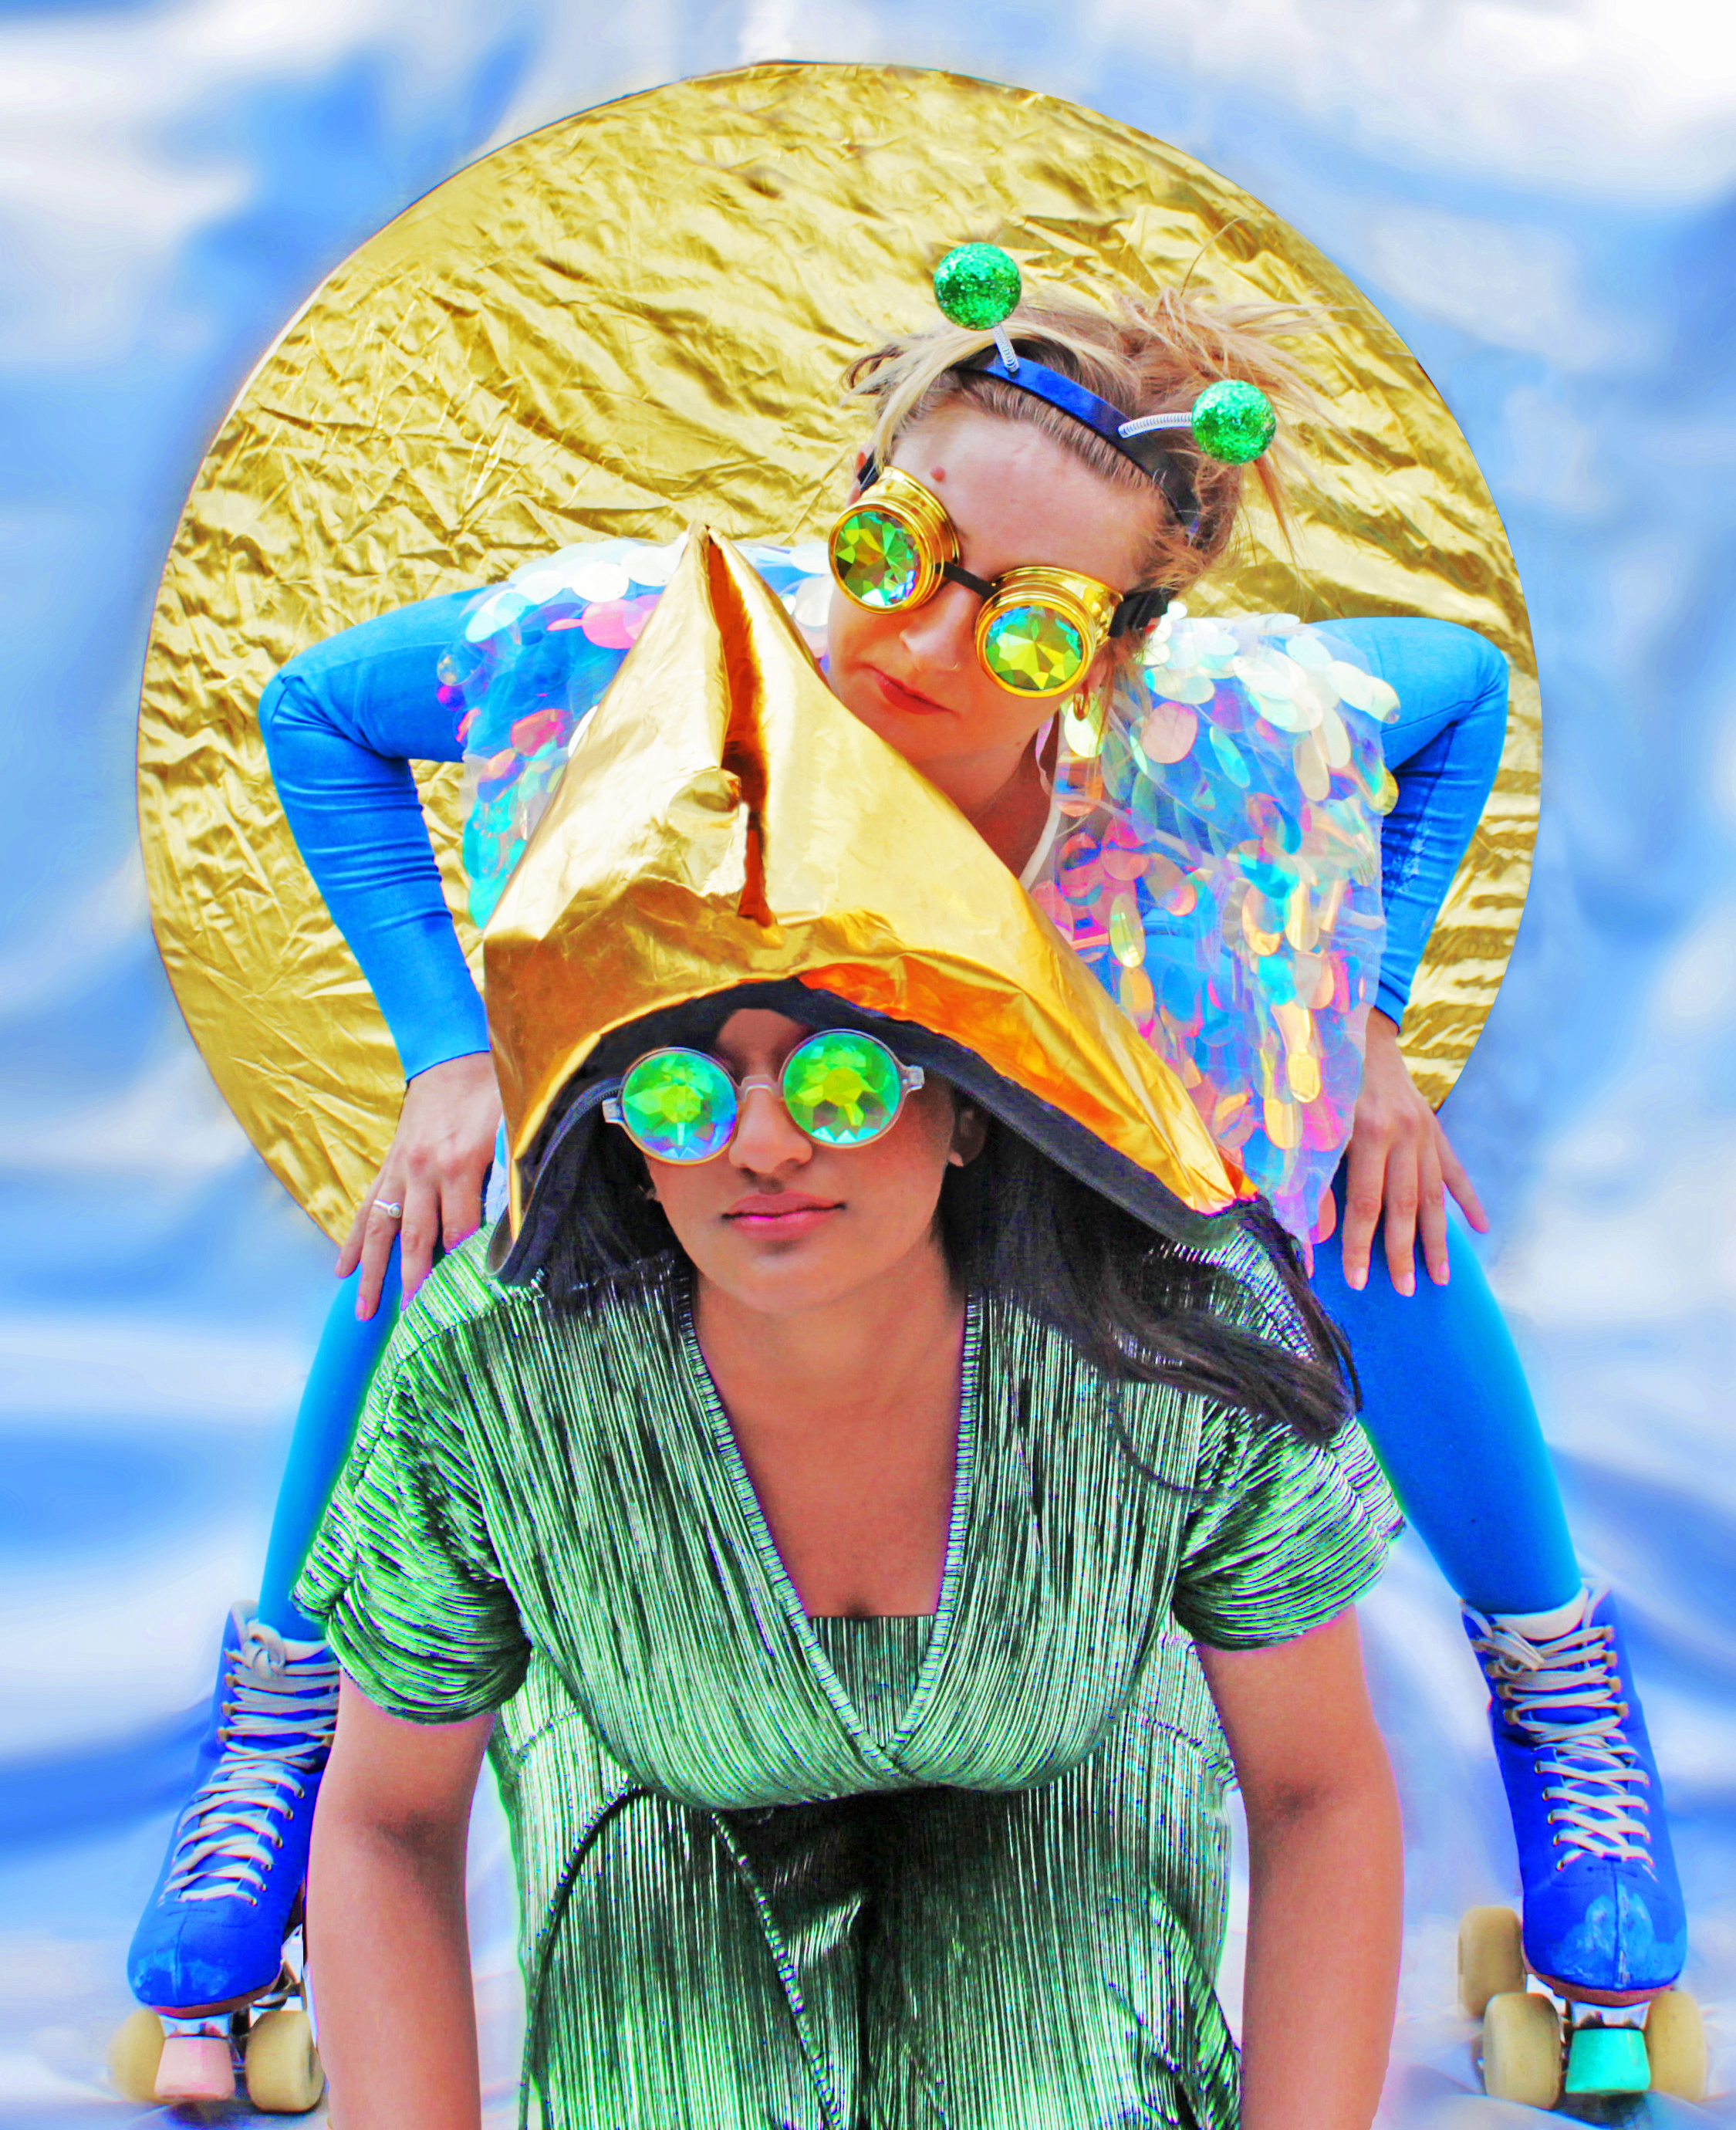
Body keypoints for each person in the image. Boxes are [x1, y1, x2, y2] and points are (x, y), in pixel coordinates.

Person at [125, 259, 1681, 2079]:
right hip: (716, 1158)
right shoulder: (634, 648)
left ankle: (1558, 1687)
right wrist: (450, 1053)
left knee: (1349, 1176)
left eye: (1028, 627)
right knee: (472, 1193)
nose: (927, 644)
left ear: (1117, 651)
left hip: (1059, 1154)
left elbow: (1460, 691)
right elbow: (319, 710)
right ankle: (284, 1714)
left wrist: (1366, 1014)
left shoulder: (1227, 737)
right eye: (898, 552)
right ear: (854, 494)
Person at [300, 549, 1404, 2129]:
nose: (764, 1145)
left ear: (972, 1102)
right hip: (664, 1789)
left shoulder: (1177, 1341)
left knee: (1049, 2097)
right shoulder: (491, 1374)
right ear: (620, 1132)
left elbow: (1316, 1789)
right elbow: (388, 1825)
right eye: (680, 1088)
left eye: (840, 1078)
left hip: (1068, 1767)